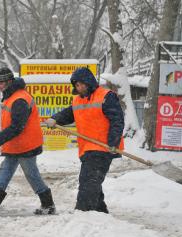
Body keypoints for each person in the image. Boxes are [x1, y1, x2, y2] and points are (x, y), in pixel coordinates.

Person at [0, 67, 56, 215]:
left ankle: (48, 204)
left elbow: (17, 126)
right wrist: (0, 140)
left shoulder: (20, 99)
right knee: (5, 170)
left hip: (26, 144)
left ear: (9, 81)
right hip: (16, 144)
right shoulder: (12, 96)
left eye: (1, 83)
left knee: (31, 174)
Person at [45, 67, 124, 213]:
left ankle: (82, 212)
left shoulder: (106, 96)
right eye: (76, 85)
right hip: (87, 148)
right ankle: (100, 212)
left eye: (81, 84)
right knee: (93, 182)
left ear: (88, 82)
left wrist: (112, 143)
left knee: (88, 181)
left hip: (103, 148)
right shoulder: (77, 101)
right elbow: (68, 114)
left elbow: (117, 121)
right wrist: (55, 119)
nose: (79, 87)